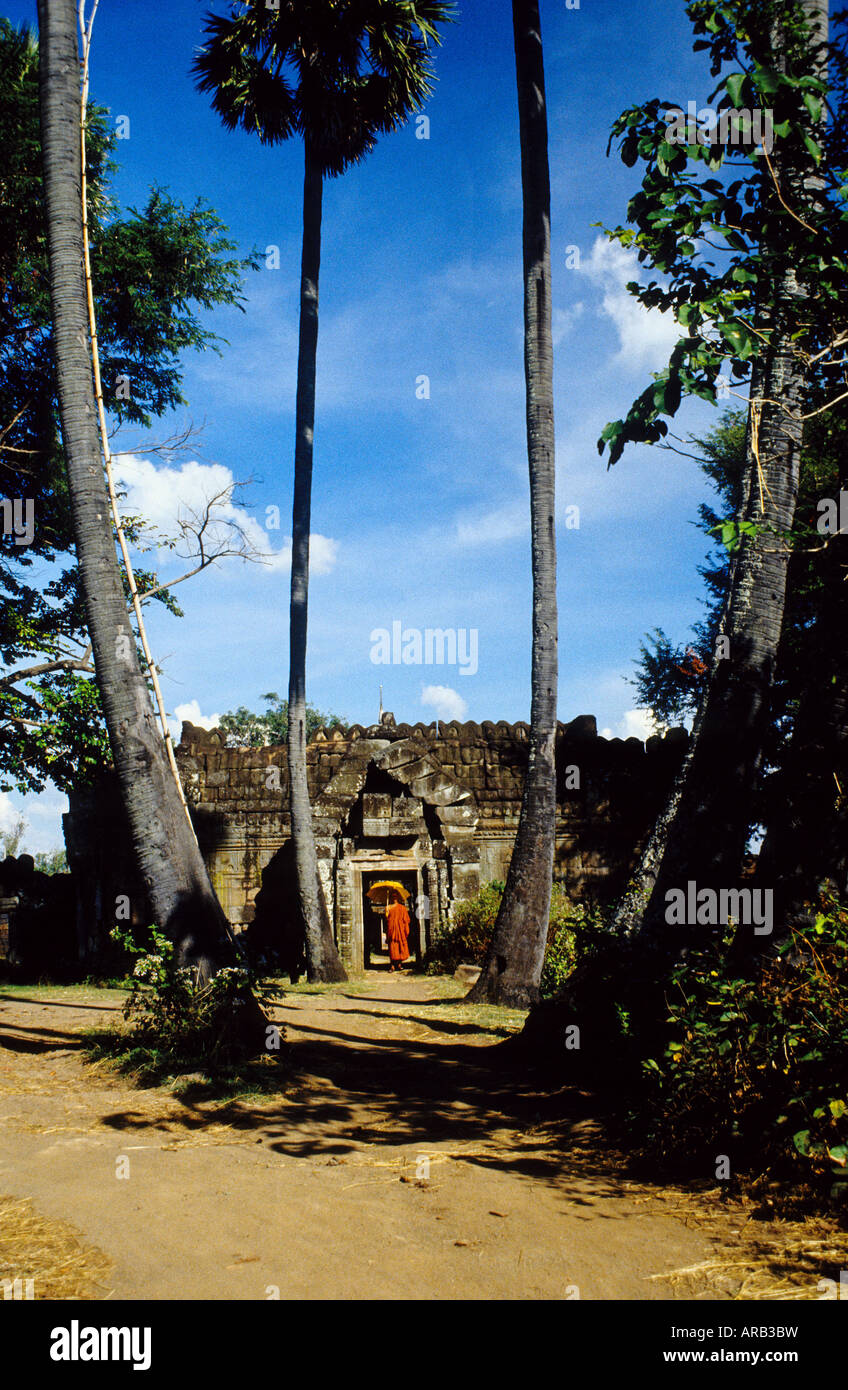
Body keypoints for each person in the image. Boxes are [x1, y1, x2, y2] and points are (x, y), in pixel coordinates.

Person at [385, 892, 411, 972]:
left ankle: (399, 964)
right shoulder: (388, 907)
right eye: (393, 897)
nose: (394, 899)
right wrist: (387, 912)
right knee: (392, 948)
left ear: (398, 898)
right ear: (390, 898)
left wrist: (404, 928)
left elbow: (406, 920)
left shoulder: (402, 908)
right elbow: (387, 919)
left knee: (400, 947)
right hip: (392, 930)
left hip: (400, 930)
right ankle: (392, 965)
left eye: (396, 897)